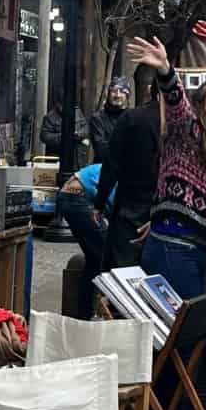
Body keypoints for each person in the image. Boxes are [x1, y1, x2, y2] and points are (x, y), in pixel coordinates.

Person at [126, 35, 206, 410]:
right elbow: (176, 103)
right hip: (174, 247)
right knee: (175, 341)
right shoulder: (186, 133)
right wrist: (165, 69)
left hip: (190, 250)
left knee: (179, 340)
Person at [96, 87, 161, 270]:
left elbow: (112, 163)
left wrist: (99, 202)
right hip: (165, 208)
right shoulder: (186, 121)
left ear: (150, 90)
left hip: (132, 204)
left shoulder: (132, 117)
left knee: (124, 270)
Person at [58, 162, 109, 318]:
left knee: (95, 258)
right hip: (76, 198)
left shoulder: (111, 167)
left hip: (72, 197)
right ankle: (88, 311)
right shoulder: (121, 175)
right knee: (101, 255)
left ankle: (85, 312)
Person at [90, 76, 132, 159]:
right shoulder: (98, 118)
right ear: (108, 94)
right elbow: (101, 151)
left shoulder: (133, 117)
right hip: (104, 167)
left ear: (127, 96)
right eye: (114, 91)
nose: (118, 95)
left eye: (122, 91)